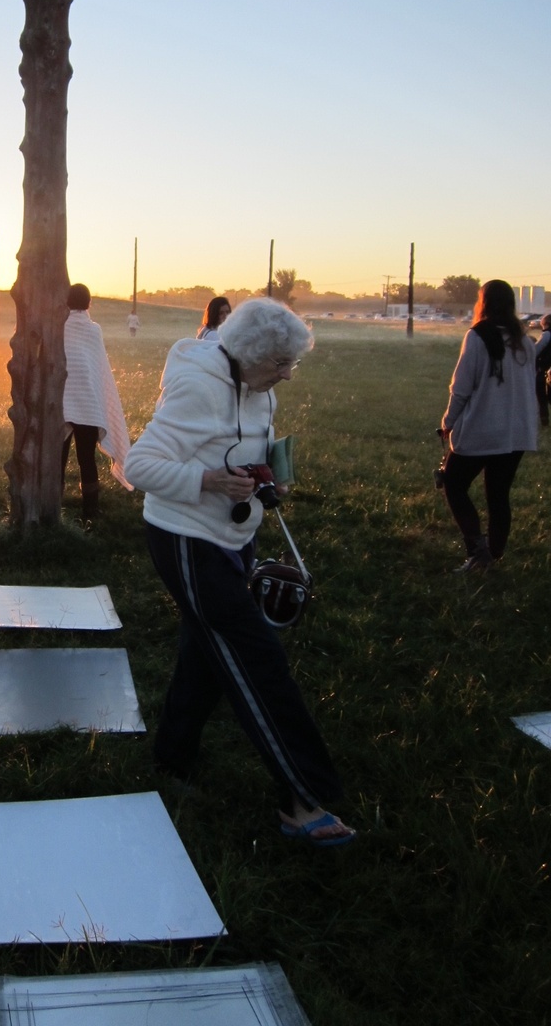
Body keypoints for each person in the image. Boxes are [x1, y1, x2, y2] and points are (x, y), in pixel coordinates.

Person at [124, 297, 356, 847]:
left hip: (235, 535)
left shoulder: (259, 385)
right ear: (250, 354)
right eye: (281, 363)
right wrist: (208, 481)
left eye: (290, 364)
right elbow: (139, 465)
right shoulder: (200, 386)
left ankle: (172, 759)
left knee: (205, 652)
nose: (287, 375)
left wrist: (270, 471)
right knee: (255, 656)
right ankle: (301, 799)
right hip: (186, 538)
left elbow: (245, 442)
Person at [441, 279, 538, 573]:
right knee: (498, 495)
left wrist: (448, 422)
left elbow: (461, 388)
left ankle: (478, 552)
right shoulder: (524, 340)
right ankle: (492, 555)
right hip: (516, 432)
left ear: (483, 302)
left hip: (482, 429)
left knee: (454, 484)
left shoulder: (476, 337)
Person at [63, 283, 133, 523]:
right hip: (88, 405)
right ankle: (90, 512)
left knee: (58, 458)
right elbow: (98, 372)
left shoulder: (57, 327)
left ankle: (53, 507)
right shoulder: (94, 330)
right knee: (86, 458)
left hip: (62, 404)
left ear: (66, 301)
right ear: (89, 302)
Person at [532, 313, 551, 427]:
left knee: (541, 396)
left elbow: (535, 350)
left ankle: (544, 421)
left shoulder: (546, 334)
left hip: (543, 370)